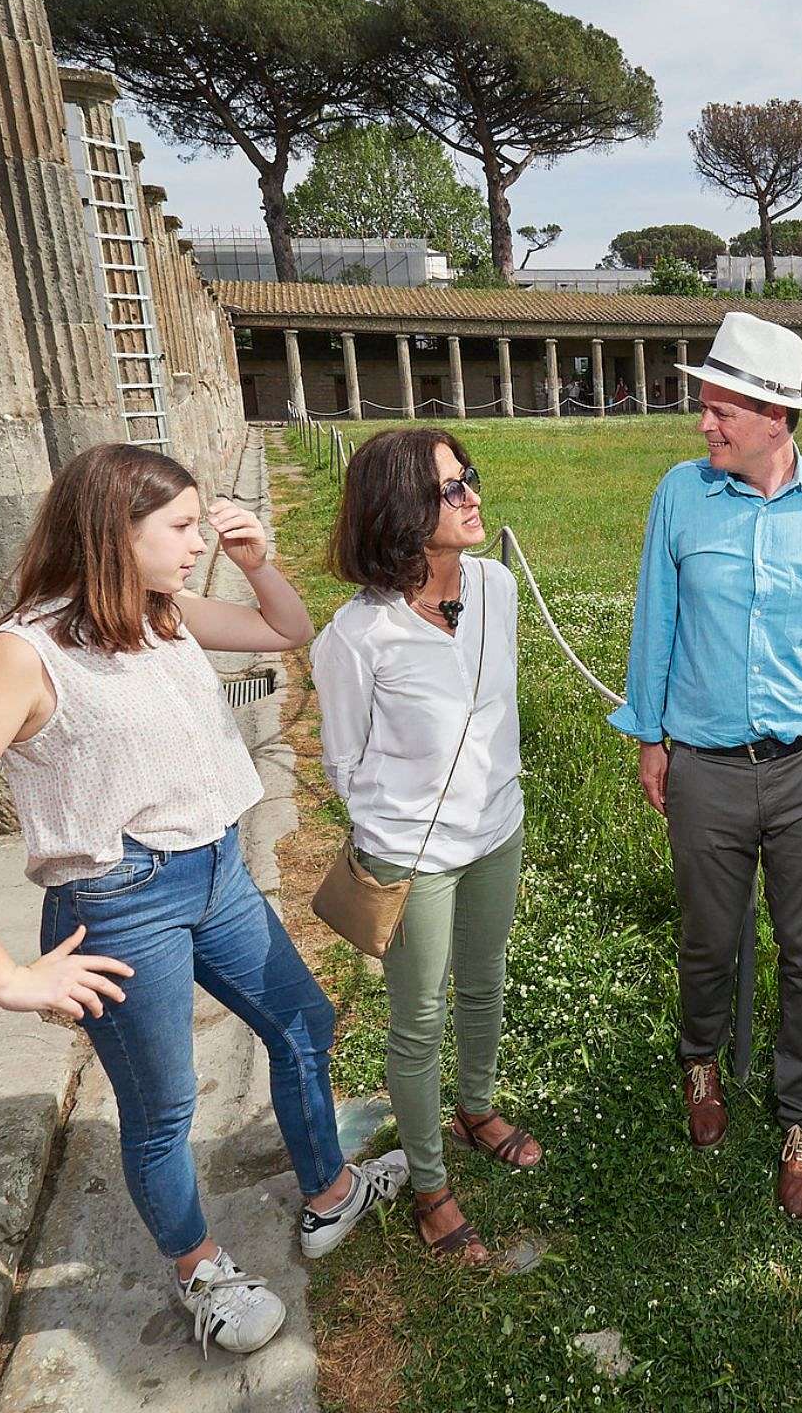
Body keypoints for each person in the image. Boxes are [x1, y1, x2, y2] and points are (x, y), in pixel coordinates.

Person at [0, 444, 401, 1359]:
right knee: (163, 1108)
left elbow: (286, 629)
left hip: (218, 872)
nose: (200, 539)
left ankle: (329, 1193)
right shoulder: (25, 653)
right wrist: (4, 979)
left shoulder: (162, 614)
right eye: (183, 527)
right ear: (115, 535)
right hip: (119, 901)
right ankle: (198, 1265)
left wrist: (255, 562)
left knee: (303, 1023)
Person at [608, 311, 802, 1220]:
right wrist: (651, 734)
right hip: (705, 769)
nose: (704, 426)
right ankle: (701, 1064)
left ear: (777, 417)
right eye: (704, 409)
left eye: (720, 410)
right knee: (707, 937)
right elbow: (655, 618)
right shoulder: (679, 497)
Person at [311, 428, 535, 1266]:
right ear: (401, 511)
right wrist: (402, 830)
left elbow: (495, 712)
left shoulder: (498, 587)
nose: (473, 494)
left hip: (499, 828)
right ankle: (432, 1184)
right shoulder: (355, 637)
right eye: (449, 488)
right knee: (419, 1020)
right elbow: (344, 763)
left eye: (468, 476)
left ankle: (476, 1107)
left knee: (485, 983)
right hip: (413, 854)